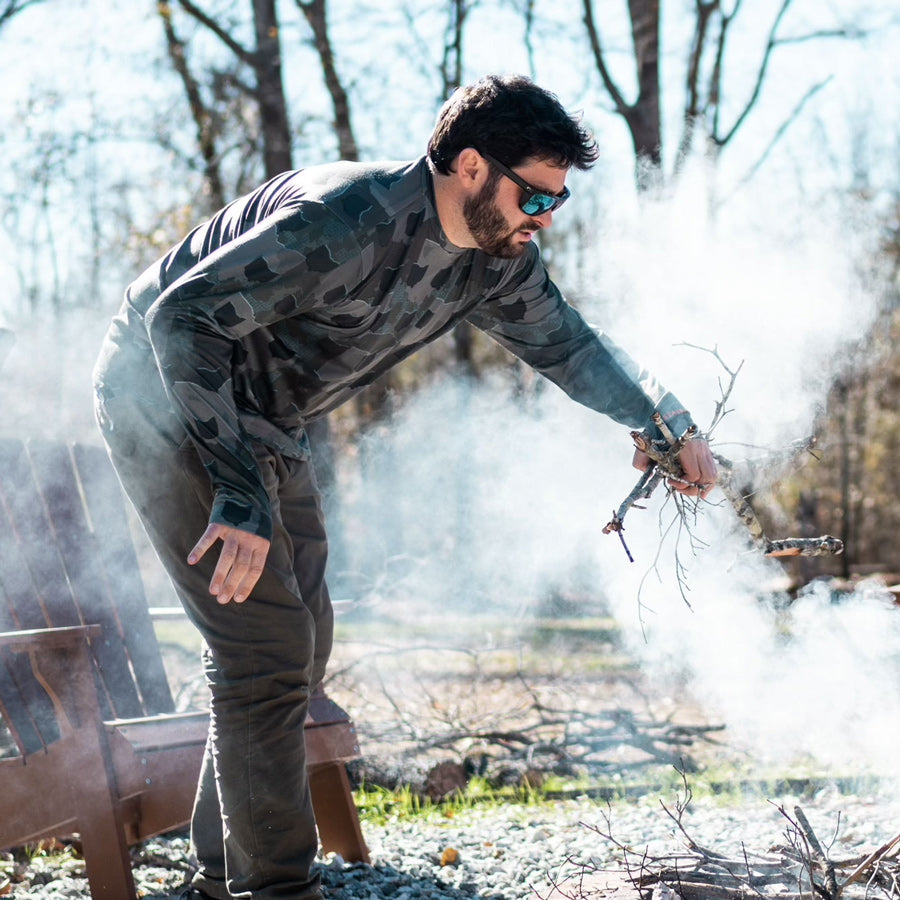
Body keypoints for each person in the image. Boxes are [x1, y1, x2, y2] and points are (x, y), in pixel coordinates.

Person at [93, 74, 717, 900]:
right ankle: (274, 888)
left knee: (300, 643)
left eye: (555, 204)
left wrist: (664, 420)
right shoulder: (345, 219)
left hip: (269, 420)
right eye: (533, 196)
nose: (542, 220)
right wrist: (238, 493)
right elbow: (182, 318)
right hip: (164, 396)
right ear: (468, 167)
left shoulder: (495, 262)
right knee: (264, 645)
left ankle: (221, 870)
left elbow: (570, 347)